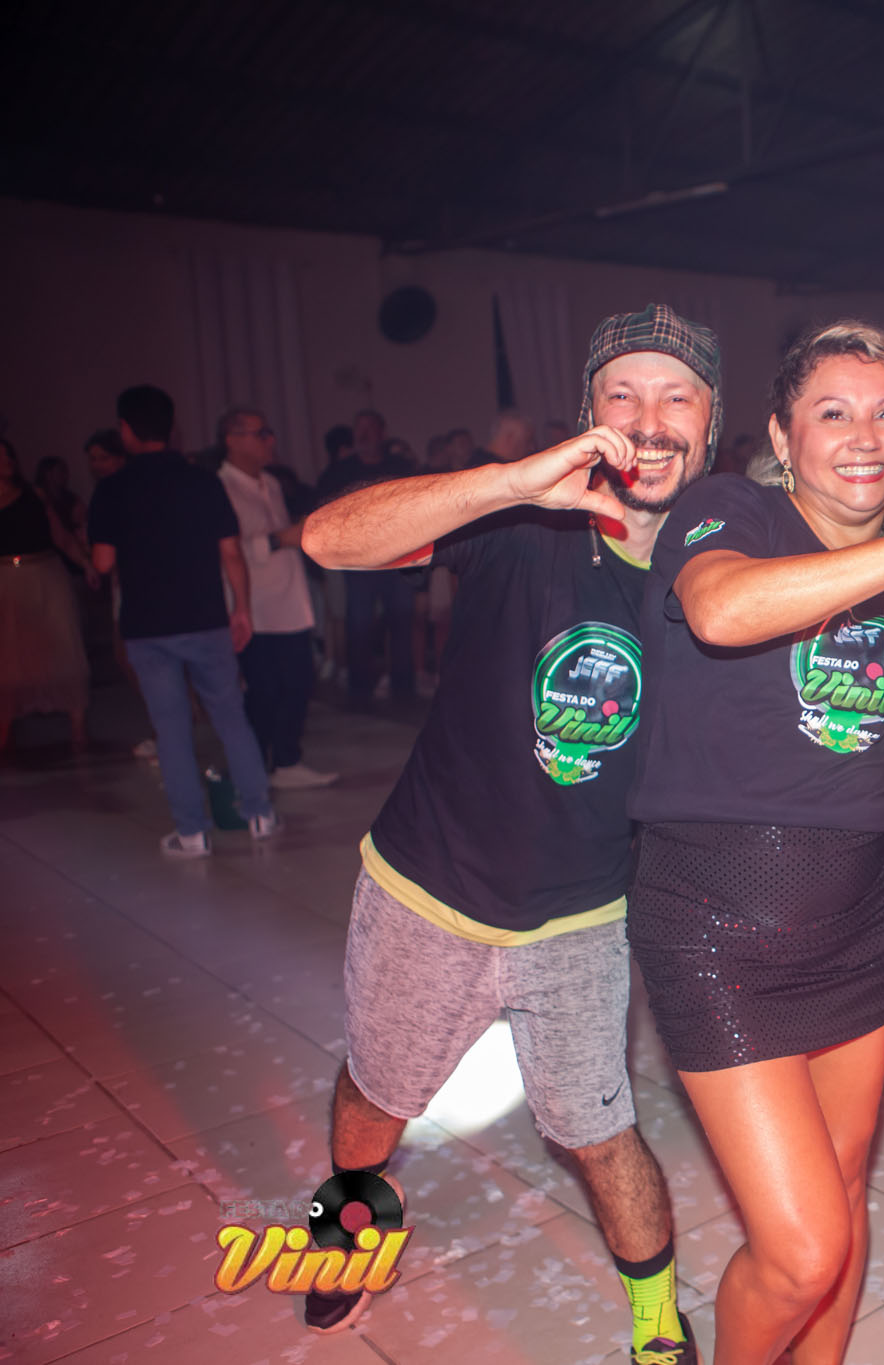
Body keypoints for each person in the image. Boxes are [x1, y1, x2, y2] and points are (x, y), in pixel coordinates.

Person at [298, 303, 722, 1364]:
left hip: (583, 914)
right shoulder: (522, 524)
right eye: (623, 393)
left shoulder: (719, 572)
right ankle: (344, 1230)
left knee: (599, 1130)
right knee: (377, 1094)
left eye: (676, 396)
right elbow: (326, 540)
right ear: (589, 414)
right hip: (428, 884)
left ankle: (656, 1318)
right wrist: (506, 481)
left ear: (712, 425)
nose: (650, 420)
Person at [626, 321, 884, 1365]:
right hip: (714, 920)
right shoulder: (735, 509)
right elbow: (721, 611)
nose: (864, 436)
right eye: (832, 412)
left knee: (844, 1196)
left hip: (857, 917)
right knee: (801, 1250)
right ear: (781, 435)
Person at [88, 385, 277, 854]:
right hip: (206, 618)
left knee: (171, 728)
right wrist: (242, 608)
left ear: (125, 430)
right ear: (172, 429)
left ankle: (192, 833)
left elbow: (103, 562)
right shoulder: (203, 481)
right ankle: (259, 814)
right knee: (230, 717)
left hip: (148, 626)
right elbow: (231, 553)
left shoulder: (112, 489)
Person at [216, 408, 336, 788]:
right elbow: (225, 551)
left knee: (299, 681)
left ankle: (286, 760)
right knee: (263, 690)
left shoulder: (270, 482)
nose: (270, 441)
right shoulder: (221, 487)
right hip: (255, 606)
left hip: (290, 602)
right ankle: (256, 766)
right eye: (260, 434)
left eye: (269, 433)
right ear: (232, 440)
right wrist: (281, 538)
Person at [0, 439, 93, 753]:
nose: (6, 461)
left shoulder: (34, 495)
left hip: (46, 573)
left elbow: (60, 537)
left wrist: (85, 563)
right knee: (10, 654)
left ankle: (77, 724)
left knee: (62, 645)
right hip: (7, 577)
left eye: (8, 455)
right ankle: (5, 726)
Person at [318, 420, 419, 705]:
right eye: (359, 430)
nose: (363, 435)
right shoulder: (342, 471)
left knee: (401, 620)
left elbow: (417, 503)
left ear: (381, 433)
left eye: (369, 429)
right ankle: (360, 689)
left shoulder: (399, 467)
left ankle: (403, 688)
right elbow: (323, 507)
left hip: (397, 557)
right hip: (359, 559)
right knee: (359, 623)